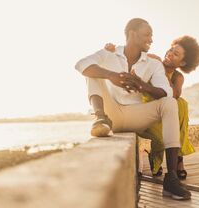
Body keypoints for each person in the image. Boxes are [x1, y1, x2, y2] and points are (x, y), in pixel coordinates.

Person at [75, 18, 191, 200]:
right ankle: (99, 118)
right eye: (147, 35)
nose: (151, 40)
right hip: (111, 113)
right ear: (132, 34)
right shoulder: (109, 53)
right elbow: (80, 64)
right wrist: (110, 75)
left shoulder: (153, 64)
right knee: (91, 71)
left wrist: (142, 85)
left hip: (136, 115)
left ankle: (172, 178)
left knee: (171, 103)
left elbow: (167, 92)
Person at [105, 36, 199, 180]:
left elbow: (173, 95)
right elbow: (129, 56)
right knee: (165, 132)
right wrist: (112, 51)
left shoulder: (178, 77)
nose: (169, 54)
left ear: (182, 62)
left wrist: (163, 74)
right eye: (171, 50)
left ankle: (178, 159)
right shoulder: (152, 59)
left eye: (175, 54)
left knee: (180, 103)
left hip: (165, 113)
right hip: (145, 109)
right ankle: (169, 158)